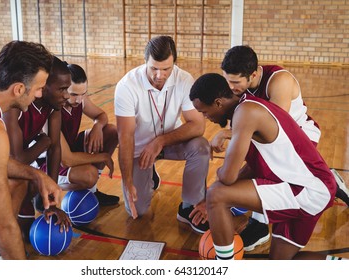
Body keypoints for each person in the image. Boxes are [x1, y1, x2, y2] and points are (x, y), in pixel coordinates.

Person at [190, 73, 341, 260]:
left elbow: (227, 177)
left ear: (218, 103)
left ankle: (224, 268)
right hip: (309, 186)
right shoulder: (247, 107)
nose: (206, 117)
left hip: (308, 190)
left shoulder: (246, 113)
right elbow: (251, 168)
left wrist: (219, 170)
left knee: (216, 194)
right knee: (279, 264)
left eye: (204, 112)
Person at [218, 45, 349, 251]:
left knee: (269, 174)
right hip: (274, 140)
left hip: (299, 135)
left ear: (253, 74)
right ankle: (328, 179)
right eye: (227, 80)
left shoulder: (280, 80)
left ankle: (260, 226)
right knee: (251, 169)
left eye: (235, 82)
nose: (230, 86)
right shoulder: (240, 87)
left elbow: (277, 128)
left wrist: (228, 134)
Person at [0, 41, 64, 260]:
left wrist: (37, 174)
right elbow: (2, 226)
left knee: (18, 180)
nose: (39, 94)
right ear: (18, 89)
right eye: (38, 88)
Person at [114, 35, 210, 233]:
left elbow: (198, 125)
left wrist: (160, 141)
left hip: (170, 142)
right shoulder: (127, 86)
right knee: (138, 210)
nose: (159, 75)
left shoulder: (184, 80)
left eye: (166, 69)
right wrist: (128, 182)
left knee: (201, 147)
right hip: (139, 150)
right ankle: (150, 176)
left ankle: (188, 207)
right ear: (145, 61)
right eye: (154, 68)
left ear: (174, 62)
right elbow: (125, 139)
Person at [3, 55, 71, 239]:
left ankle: (23, 211)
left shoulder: (53, 106)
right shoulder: (15, 106)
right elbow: (15, 160)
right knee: (21, 235)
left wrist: (52, 202)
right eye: (62, 89)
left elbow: (55, 148)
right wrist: (43, 142)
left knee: (26, 234)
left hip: (16, 167)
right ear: (43, 86)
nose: (66, 95)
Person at [57, 63, 119, 206]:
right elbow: (67, 160)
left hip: (69, 149)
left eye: (83, 93)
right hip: (51, 162)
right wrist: (102, 156)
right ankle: (45, 185)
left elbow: (101, 115)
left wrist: (97, 126)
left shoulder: (80, 100)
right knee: (89, 175)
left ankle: (91, 191)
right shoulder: (55, 108)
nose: (79, 100)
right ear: (62, 89)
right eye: (73, 95)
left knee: (111, 131)